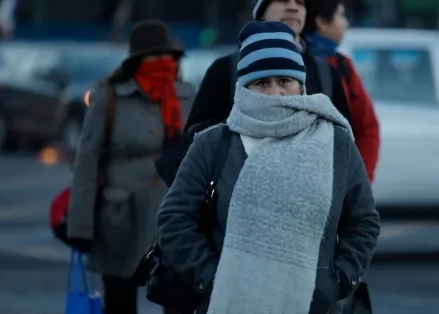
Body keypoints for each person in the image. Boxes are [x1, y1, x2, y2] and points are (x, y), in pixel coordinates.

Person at [157, 21, 380, 314]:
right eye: (262, 83)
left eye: (285, 81)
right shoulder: (215, 144)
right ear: (244, 88)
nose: (276, 93)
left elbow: (363, 222)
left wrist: (335, 280)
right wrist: (213, 279)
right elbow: (174, 219)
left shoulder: (335, 143)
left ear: (300, 84)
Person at [66, 20, 195, 314]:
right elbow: (86, 162)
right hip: (120, 216)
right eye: (154, 56)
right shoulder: (109, 96)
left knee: (178, 299)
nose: (162, 63)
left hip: (172, 214)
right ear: (138, 60)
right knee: (120, 302)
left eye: (167, 56)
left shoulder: (186, 95)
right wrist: (81, 227)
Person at [154, 0, 355, 187]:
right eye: (282, 0)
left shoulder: (327, 73)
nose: (293, 7)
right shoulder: (226, 69)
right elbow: (197, 140)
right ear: (261, 12)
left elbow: (345, 149)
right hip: (237, 200)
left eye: (300, 2)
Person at [304, 0, 380, 182]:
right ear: (322, 21)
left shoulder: (342, 65)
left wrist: (360, 182)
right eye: (340, 15)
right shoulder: (290, 64)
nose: (345, 23)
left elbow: (367, 126)